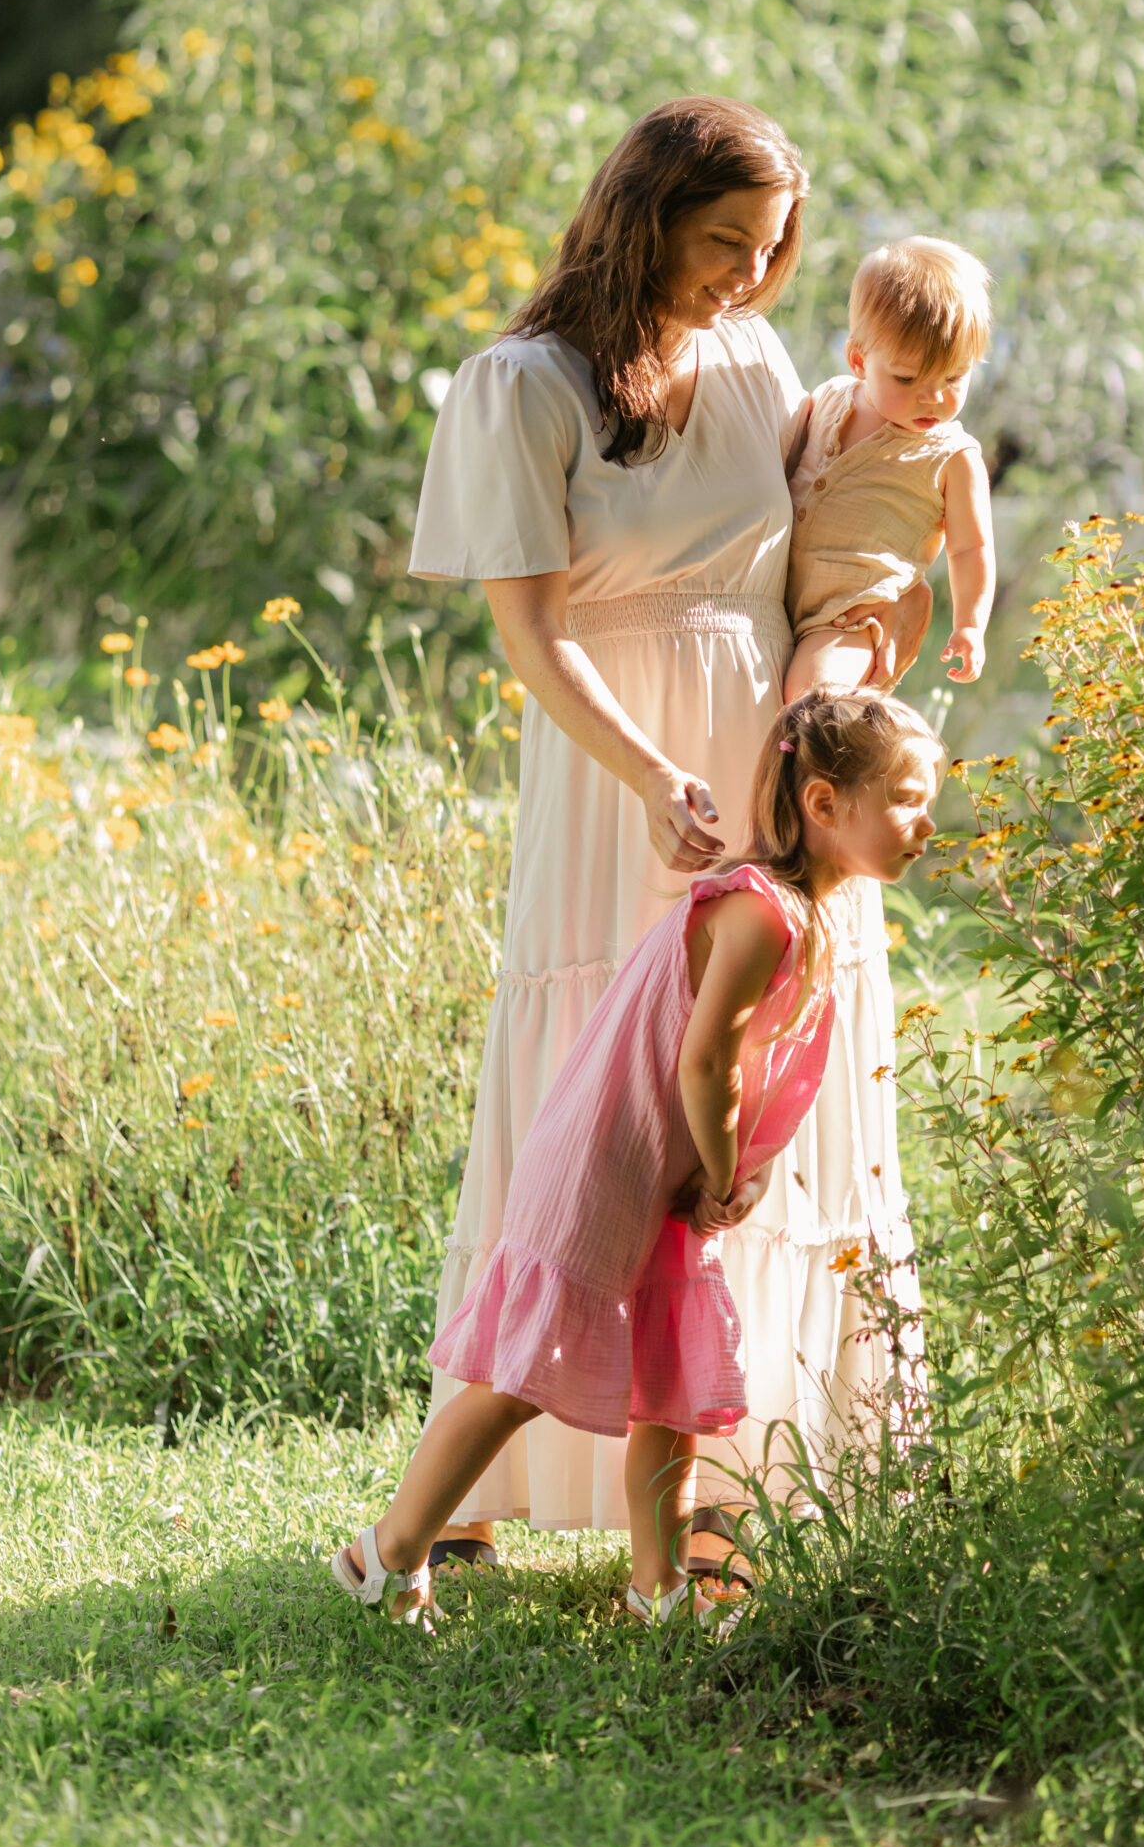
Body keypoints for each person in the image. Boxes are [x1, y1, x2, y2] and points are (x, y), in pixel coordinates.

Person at [407, 97, 931, 1580]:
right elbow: (529, 633)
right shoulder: (526, 385)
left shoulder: (757, 355)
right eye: (721, 244)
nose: (745, 279)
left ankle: (734, 1486)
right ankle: (487, 1485)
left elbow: (825, 549)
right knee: (606, 1087)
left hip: (771, 757)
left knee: (772, 1079)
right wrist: (649, 774)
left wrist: (847, 660)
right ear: (644, 214)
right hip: (616, 767)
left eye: (769, 252)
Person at [331, 695, 944, 1626]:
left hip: (652, 1171)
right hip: (605, 1164)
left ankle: (655, 1588)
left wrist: (728, 1164)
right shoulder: (763, 915)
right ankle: (388, 1552)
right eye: (904, 797)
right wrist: (729, 1166)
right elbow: (704, 1060)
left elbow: (738, 1062)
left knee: (670, 1387)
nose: (926, 823)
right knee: (515, 1379)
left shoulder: (801, 914)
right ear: (823, 804)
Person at [785, 237, 996, 701]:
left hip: (851, 617)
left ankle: (842, 767)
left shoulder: (952, 457)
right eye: (907, 378)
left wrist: (970, 625)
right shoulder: (828, 399)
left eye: (954, 378)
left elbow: (971, 549)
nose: (934, 397)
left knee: (812, 694)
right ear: (859, 359)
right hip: (776, 598)